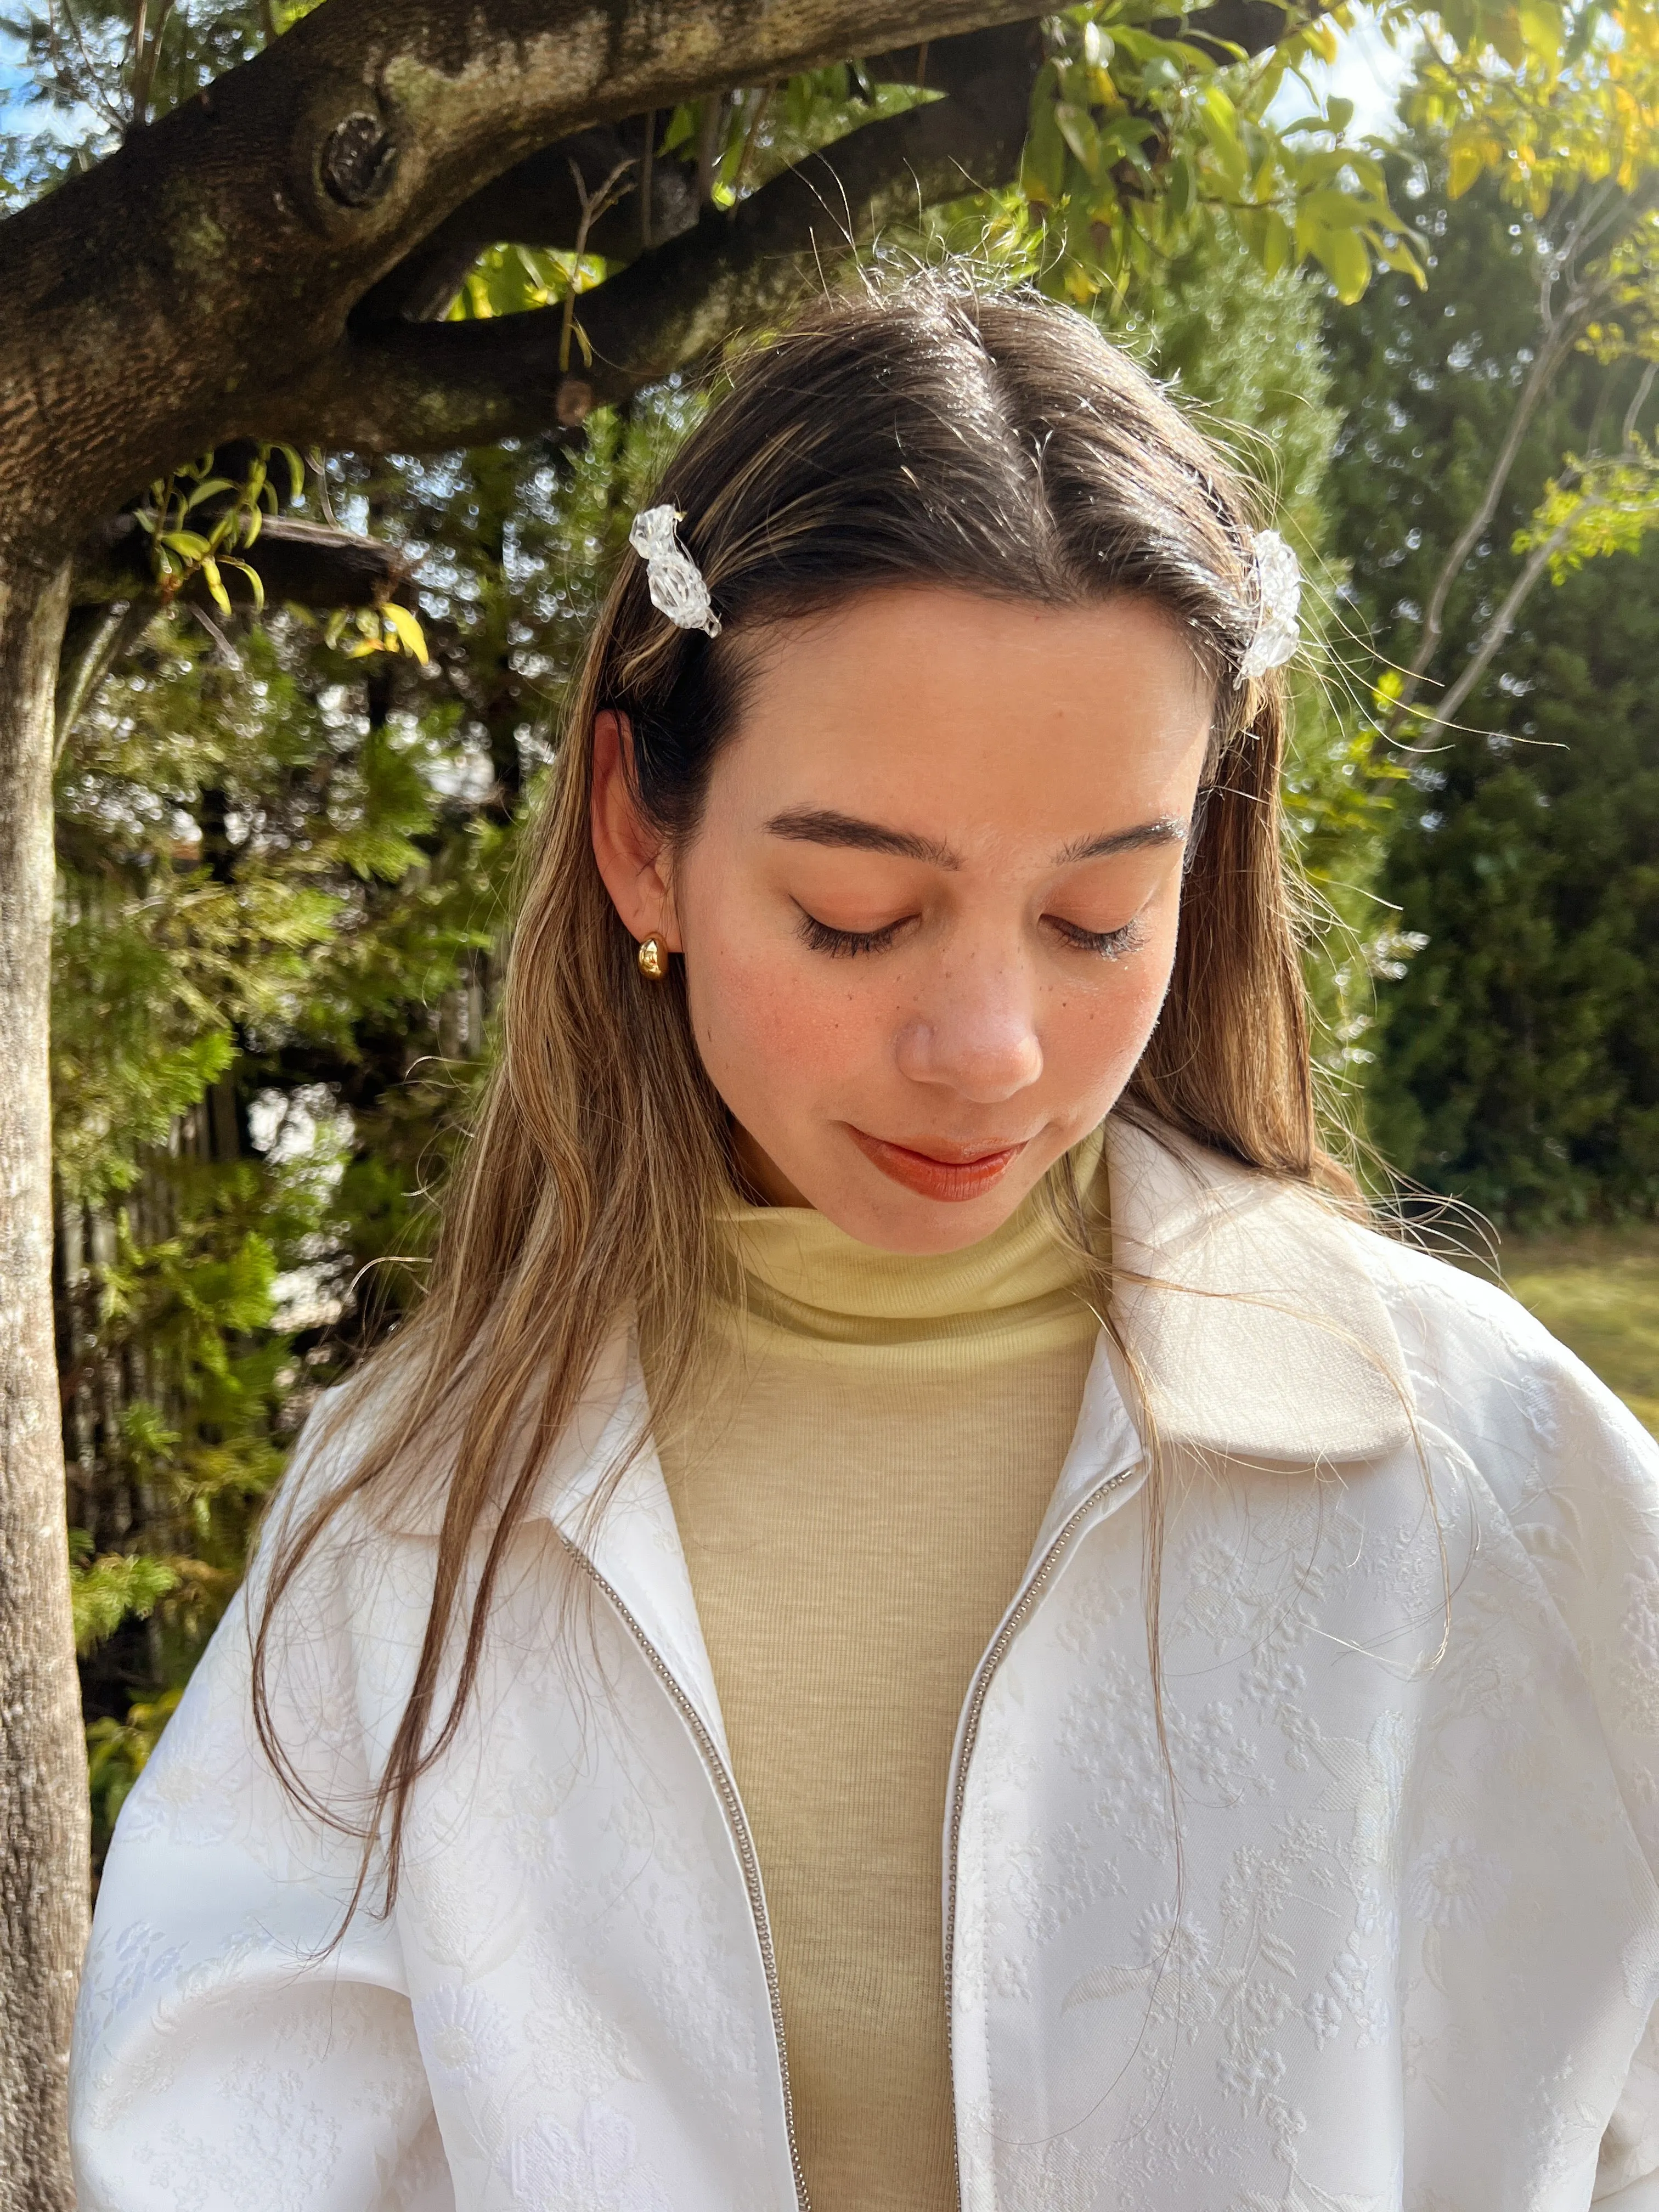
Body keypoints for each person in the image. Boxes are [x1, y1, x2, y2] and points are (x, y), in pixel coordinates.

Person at [69, 282, 1659, 2212]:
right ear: (641, 840)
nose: (988, 1052)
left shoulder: (1490, 1467)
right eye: (851, 912)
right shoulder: (404, 1526)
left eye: (1097, 919)